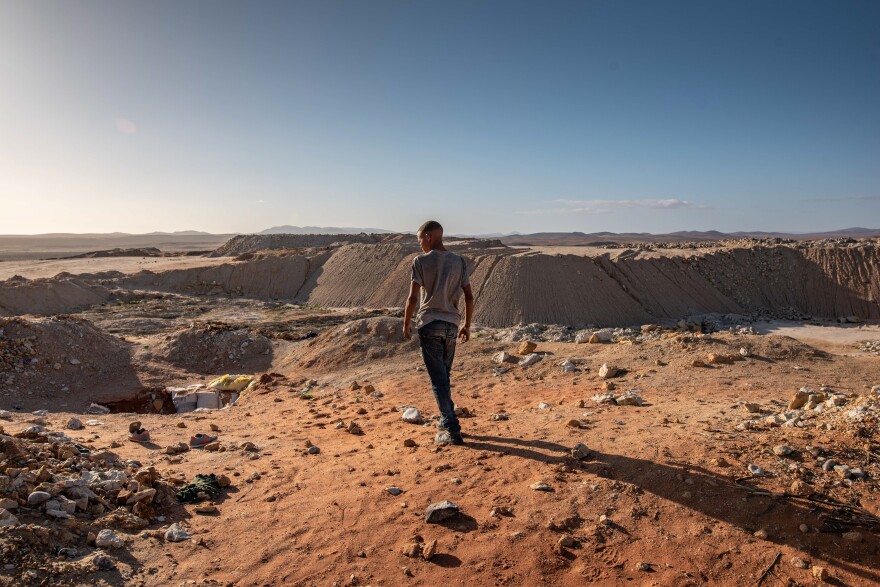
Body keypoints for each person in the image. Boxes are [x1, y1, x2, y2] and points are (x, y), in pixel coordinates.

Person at [403, 220, 474, 445]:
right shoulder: (459, 261)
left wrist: (406, 322)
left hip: (430, 323)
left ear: (427, 237)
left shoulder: (420, 262)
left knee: (438, 380)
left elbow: (413, 297)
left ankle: (452, 429)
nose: (420, 245)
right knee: (444, 376)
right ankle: (446, 420)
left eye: (419, 240)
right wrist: (467, 325)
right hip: (452, 325)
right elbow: (469, 297)